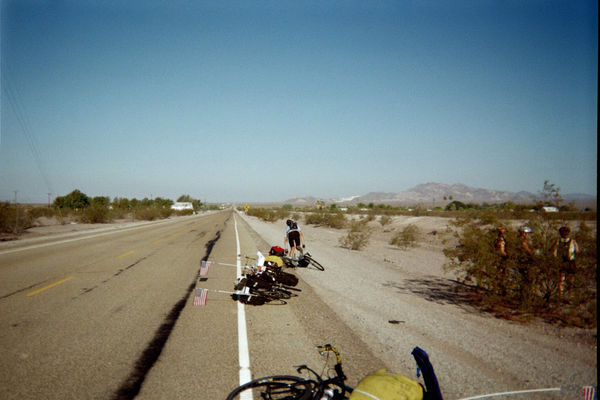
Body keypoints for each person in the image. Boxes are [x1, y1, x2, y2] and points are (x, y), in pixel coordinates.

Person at [552, 226, 579, 298]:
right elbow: (577, 251)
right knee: (564, 279)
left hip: (568, 262)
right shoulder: (559, 241)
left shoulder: (571, 241)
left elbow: (554, 252)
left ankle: (567, 294)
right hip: (565, 261)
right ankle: (564, 294)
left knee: (566, 279)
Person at [516, 226, 534, 300]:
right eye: (527, 234)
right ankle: (525, 296)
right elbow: (529, 252)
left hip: (522, 261)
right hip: (524, 262)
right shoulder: (523, 242)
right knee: (527, 279)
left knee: (524, 279)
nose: (528, 235)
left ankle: (524, 295)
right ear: (523, 234)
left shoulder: (519, 241)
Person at [494, 226, 508, 295]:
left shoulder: (499, 239)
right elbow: (501, 250)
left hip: (500, 257)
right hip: (501, 258)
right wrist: (506, 255)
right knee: (500, 273)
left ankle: (499, 288)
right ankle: (498, 289)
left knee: (501, 273)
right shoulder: (500, 239)